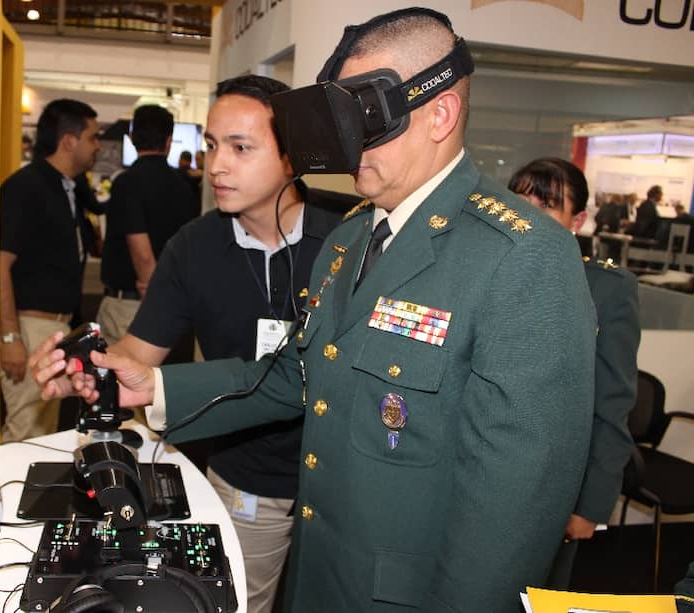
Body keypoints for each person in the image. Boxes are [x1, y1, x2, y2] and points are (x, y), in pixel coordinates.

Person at [33, 8, 597, 612]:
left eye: (368, 119)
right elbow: (297, 378)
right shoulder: (353, 238)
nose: (350, 142)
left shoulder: (523, 255)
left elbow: (514, 506)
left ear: (442, 114)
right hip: (320, 577)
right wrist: (154, 386)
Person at [31, 74, 351, 613]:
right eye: (211, 145)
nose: (218, 164)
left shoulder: (351, 237)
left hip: (346, 479)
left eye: (240, 147)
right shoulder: (194, 246)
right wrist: (90, 369)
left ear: (293, 156)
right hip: (246, 476)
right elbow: (138, 353)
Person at [509, 157, 640, 589]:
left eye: (546, 205)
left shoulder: (605, 289)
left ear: (577, 220)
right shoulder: (487, 273)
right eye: (518, 200)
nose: (527, 214)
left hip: (551, 487)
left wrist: (590, 504)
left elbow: (611, 402)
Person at [0, 99, 102, 442]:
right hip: (30, 327)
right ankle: (4, 497)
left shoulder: (66, 187)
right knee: (24, 430)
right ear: (69, 141)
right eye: (93, 137)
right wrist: (11, 338)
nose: (97, 146)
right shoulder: (25, 187)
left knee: (41, 432)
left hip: (56, 326)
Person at [97, 104, 199, 345]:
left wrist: (153, 296)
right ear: (168, 141)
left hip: (134, 304)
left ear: (132, 139)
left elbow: (141, 250)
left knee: (120, 377)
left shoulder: (126, 183)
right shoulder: (184, 187)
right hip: (174, 303)